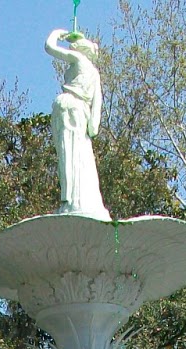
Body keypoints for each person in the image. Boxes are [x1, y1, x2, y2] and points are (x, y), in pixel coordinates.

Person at [44, 28, 110, 220]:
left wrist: (56, 33)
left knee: (67, 153)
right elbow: (95, 118)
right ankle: (79, 197)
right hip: (82, 114)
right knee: (79, 153)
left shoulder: (79, 60)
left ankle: (70, 199)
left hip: (67, 106)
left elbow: (49, 47)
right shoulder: (95, 74)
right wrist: (90, 128)